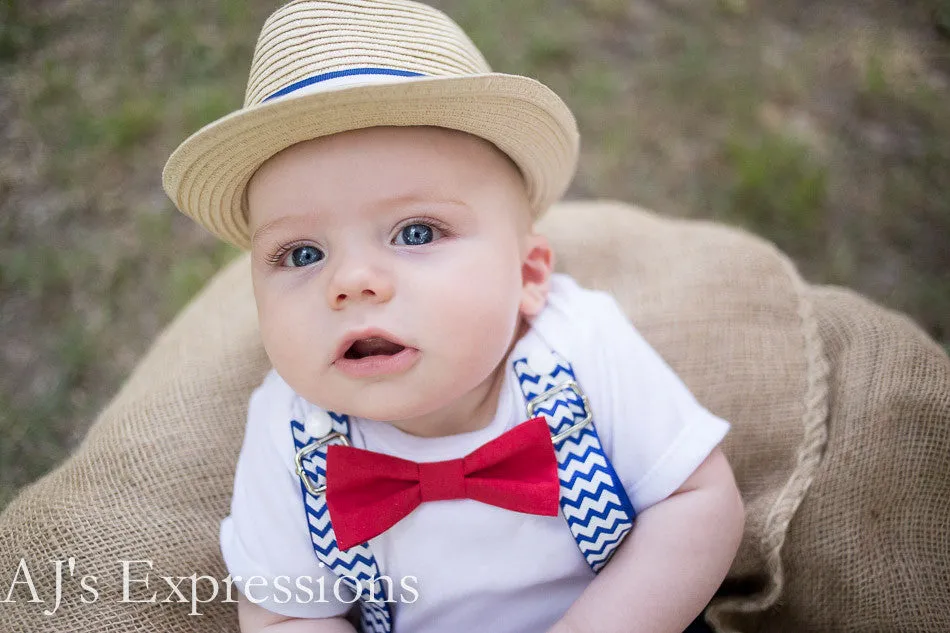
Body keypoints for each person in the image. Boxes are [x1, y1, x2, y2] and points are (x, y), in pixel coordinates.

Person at [161, 1, 745, 632]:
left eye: (415, 232)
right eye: (302, 253)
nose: (351, 282)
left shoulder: (576, 346)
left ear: (527, 276)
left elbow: (697, 503)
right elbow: (283, 617)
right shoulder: (290, 431)